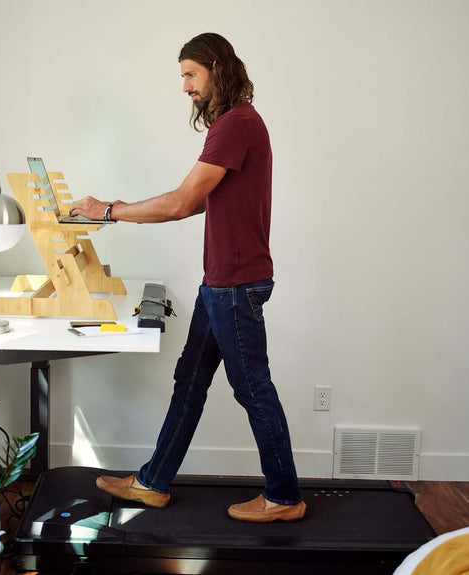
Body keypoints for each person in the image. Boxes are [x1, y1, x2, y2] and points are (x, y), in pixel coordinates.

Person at [70, 32, 305, 523]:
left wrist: (109, 210)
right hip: (221, 281)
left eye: (190, 74)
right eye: (182, 77)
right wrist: (117, 212)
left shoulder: (236, 123)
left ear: (216, 68)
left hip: (235, 285)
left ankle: (284, 496)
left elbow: (180, 201)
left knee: (253, 388)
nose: (184, 87)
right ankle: (154, 481)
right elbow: (194, 203)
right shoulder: (233, 124)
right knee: (190, 380)